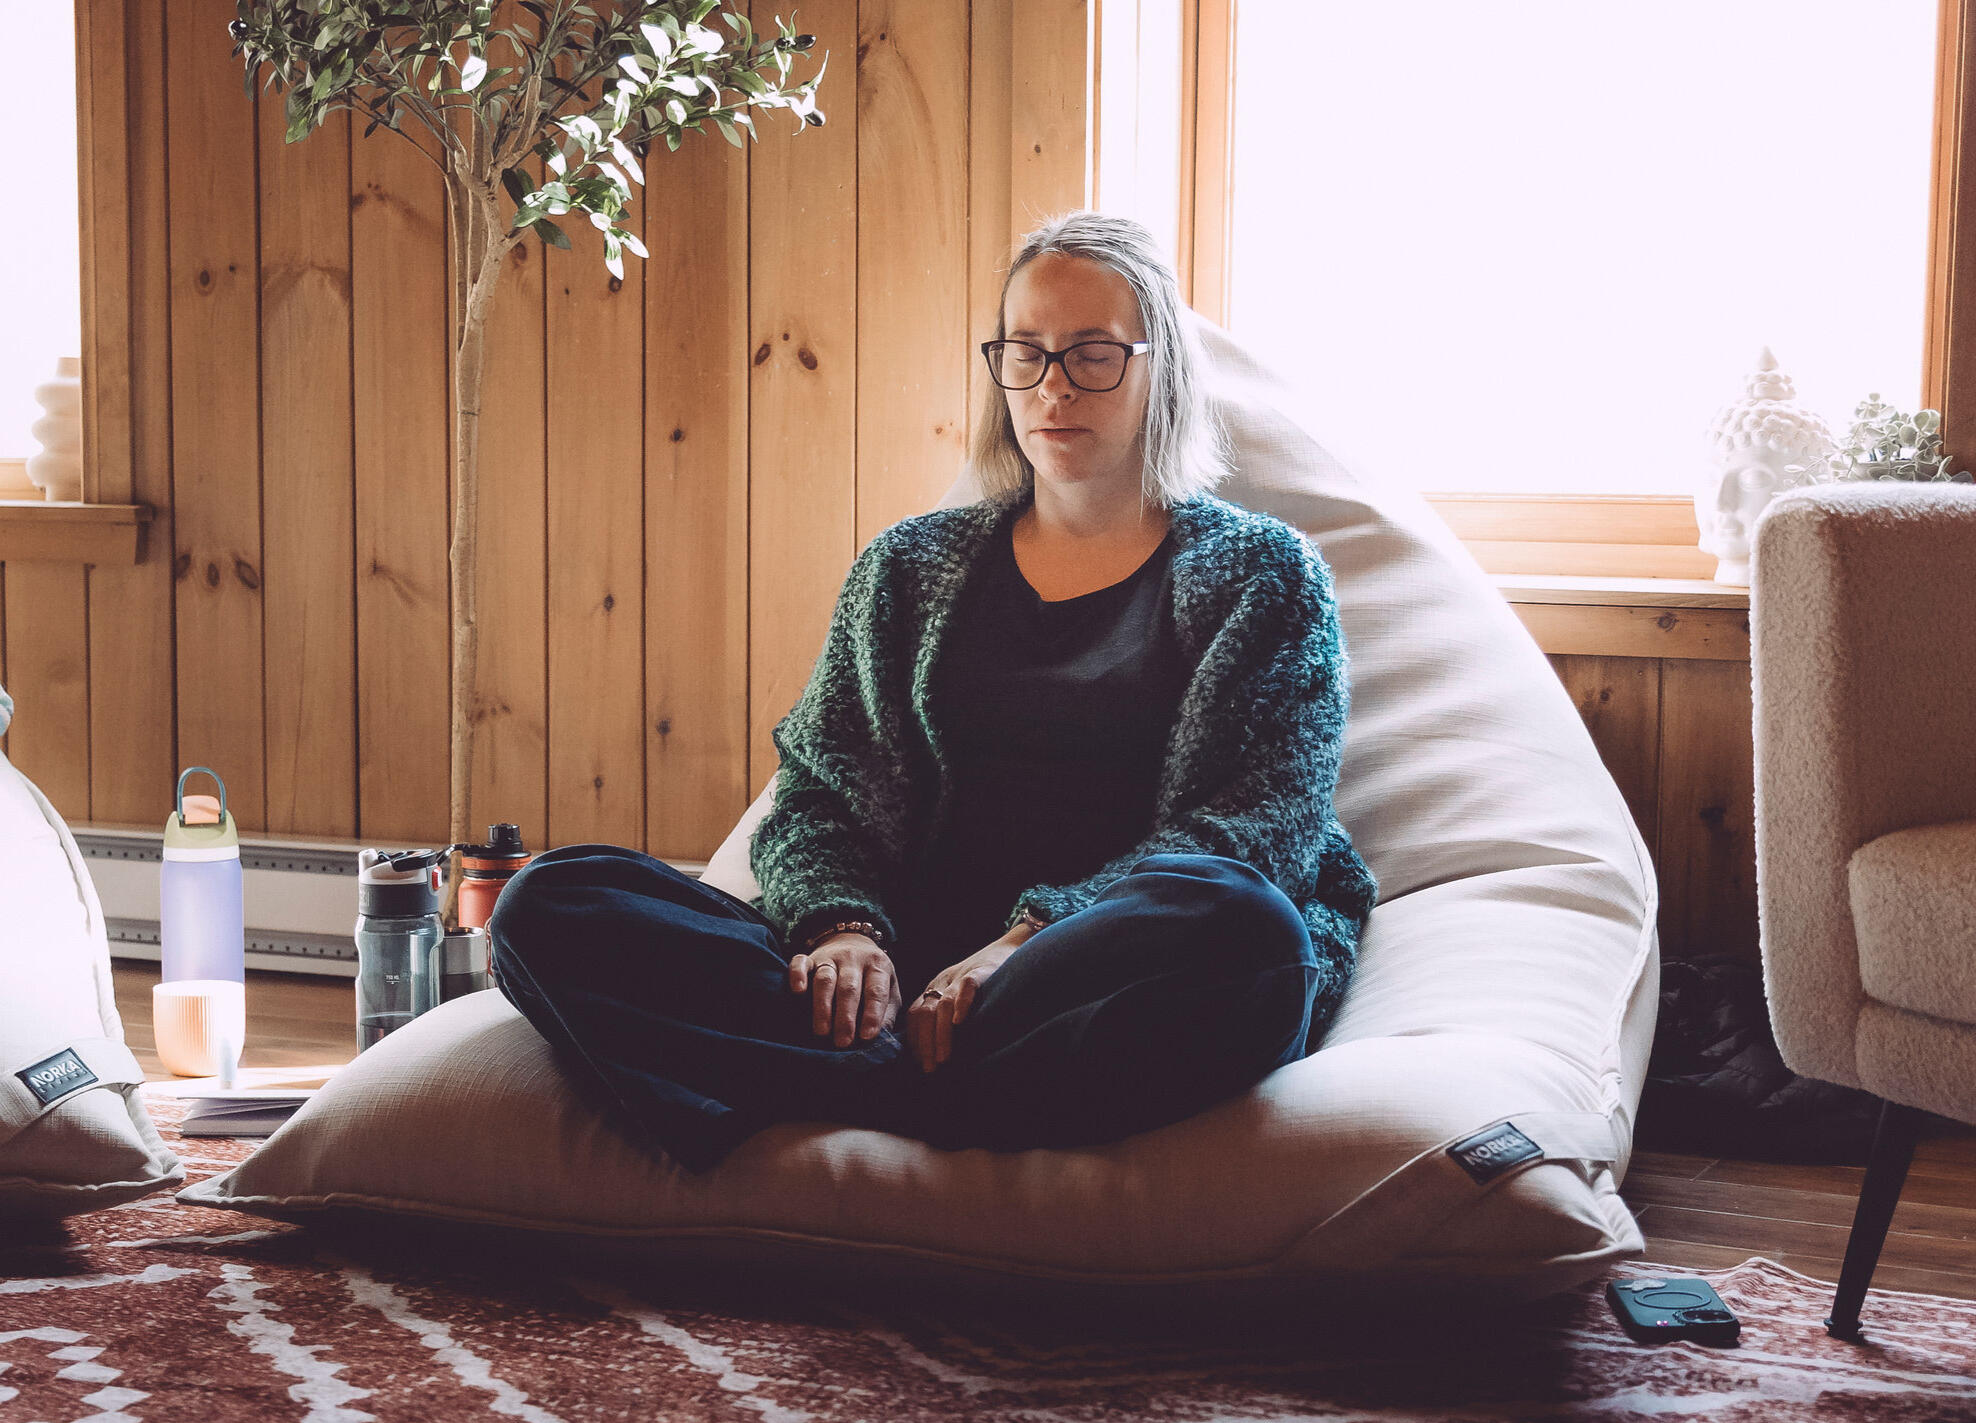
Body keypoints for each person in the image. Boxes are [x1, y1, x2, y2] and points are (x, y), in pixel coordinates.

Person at [488, 211, 1378, 1172]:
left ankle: (836, 1090)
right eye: (1026, 354)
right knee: (551, 903)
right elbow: (818, 797)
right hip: (895, 979)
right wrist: (842, 932)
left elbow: (1255, 829)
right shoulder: (910, 569)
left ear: (1159, 368)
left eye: (1092, 356)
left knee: (1252, 934)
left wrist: (1023, 945)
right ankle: (926, 1087)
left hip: (1079, 978)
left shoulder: (1260, 575)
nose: (1052, 387)